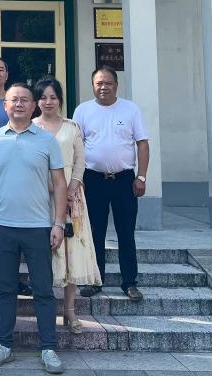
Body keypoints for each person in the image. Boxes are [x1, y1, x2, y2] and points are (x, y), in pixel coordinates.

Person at [0, 83, 67, 374]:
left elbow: (59, 184)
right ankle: (3, 345)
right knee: (5, 290)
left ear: (33, 105)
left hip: (38, 227)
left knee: (43, 290)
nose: (18, 104)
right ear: (5, 105)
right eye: (13, 100)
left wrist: (58, 223)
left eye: (24, 100)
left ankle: (48, 348)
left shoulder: (47, 140)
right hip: (2, 226)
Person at [73, 66, 150, 303]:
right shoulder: (83, 111)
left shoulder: (130, 109)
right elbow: (76, 147)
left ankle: (130, 282)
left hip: (124, 180)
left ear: (116, 85)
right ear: (93, 86)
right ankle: (95, 280)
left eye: (108, 83)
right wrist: (78, 179)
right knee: (95, 232)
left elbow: (142, 143)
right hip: (93, 180)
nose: (103, 87)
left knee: (126, 232)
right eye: (99, 83)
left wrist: (141, 177)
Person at [32, 79, 101, 333]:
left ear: (60, 99)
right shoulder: (31, 128)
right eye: (43, 97)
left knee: (72, 252)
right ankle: (46, 309)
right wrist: (50, 188)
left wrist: (70, 189)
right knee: (44, 253)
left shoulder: (72, 127)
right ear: (36, 101)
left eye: (53, 97)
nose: (48, 102)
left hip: (72, 199)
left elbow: (81, 161)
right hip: (40, 197)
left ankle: (70, 311)